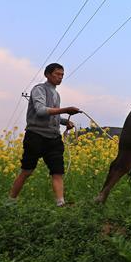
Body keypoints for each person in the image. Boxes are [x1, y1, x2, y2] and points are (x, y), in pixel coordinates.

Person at [9, 63, 80, 206]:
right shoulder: (39, 89)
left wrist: (65, 122)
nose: (60, 77)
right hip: (36, 136)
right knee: (27, 171)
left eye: (62, 75)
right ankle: (10, 201)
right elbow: (41, 111)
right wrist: (65, 110)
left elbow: (53, 115)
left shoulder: (56, 94)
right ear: (47, 75)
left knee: (57, 171)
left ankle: (60, 203)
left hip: (53, 138)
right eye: (57, 74)